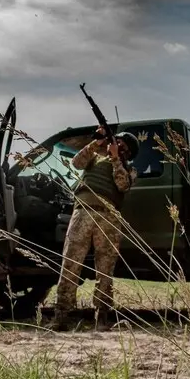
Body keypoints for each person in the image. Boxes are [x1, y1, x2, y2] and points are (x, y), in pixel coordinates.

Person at [52, 126, 140, 331]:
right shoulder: (95, 157)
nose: (117, 145)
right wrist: (96, 142)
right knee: (70, 263)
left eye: (122, 146)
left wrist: (116, 159)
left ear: (127, 152)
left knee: (105, 269)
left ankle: (102, 316)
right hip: (82, 212)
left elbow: (123, 185)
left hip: (108, 218)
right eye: (116, 141)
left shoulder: (129, 168)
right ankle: (61, 315)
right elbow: (77, 162)